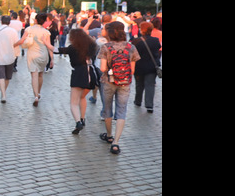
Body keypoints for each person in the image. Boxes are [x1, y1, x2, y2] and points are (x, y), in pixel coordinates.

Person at [98, 21, 139, 154]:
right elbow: (132, 70)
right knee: (122, 110)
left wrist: (111, 71)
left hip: (108, 81)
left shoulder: (105, 47)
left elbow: (103, 68)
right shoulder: (131, 47)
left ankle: (109, 135)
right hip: (125, 82)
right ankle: (116, 142)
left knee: (107, 108)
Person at [56, 27, 99, 134]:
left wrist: (46, 43)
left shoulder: (72, 48)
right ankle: (83, 118)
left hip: (79, 74)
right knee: (82, 97)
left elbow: (57, 50)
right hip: (91, 73)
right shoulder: (92, 46)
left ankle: (78, 122)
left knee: (73, 102)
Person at [13, 12, 54, 106]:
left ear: (35, 20)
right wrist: (52, 59)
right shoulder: (46, 32)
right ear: (44, 22)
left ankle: (35, 95)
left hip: (32, 54)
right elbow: (49, 47)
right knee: (40, 75)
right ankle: (39, 92)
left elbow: (22, 40)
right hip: (43, 55)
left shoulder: (29, 29)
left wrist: (14, 45)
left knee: (34, 75)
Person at [131, 21, 161, 113]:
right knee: (150, 85)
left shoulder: (136, 41)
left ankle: (138, 101)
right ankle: (149, 105)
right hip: (152, 66)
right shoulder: (155, 40)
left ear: (141, 30)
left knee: (139, 85)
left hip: (139, 66)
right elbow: (158, 49)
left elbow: (132, 54)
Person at [0, 15, 21, 103]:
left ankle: (3, 94)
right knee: (7, 77)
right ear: (9, 22)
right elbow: (16, 43)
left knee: (0, 76)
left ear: (1, 21)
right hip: (10, 56)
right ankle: (4, 92)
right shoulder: (13, 31)